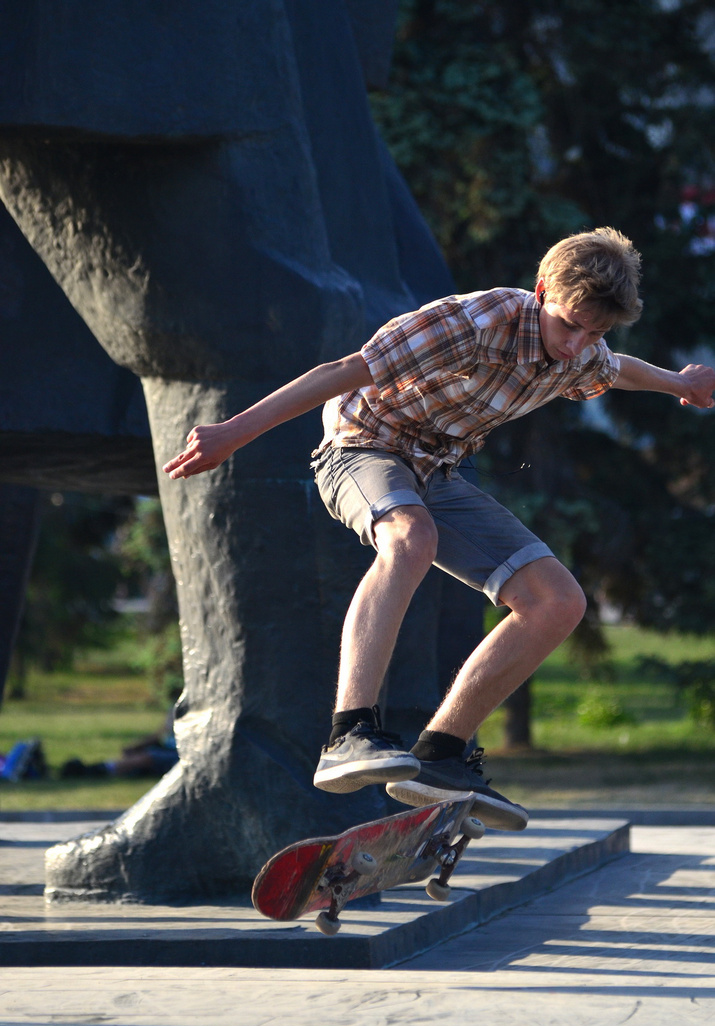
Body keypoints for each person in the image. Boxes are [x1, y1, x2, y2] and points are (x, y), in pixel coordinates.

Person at [163, 227, 715, 831]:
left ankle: (441, 755)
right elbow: (341, 370)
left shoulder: (583, 350)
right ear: (540, 294)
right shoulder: (470, 323)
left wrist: (681, 384)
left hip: (437, 472)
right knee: (410, 539)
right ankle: (350, 732)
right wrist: (231, 434)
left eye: (595, 331)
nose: (577, 343)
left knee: (557, 602)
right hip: (361, 448)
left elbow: (616, 371)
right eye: (569, 325)